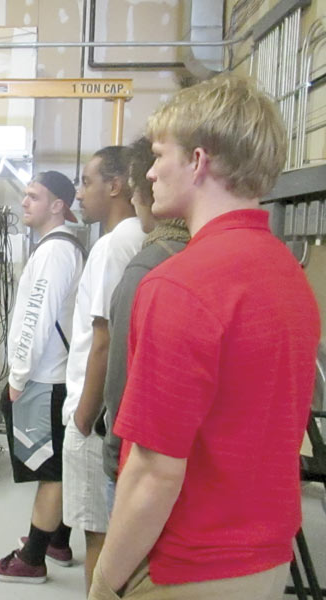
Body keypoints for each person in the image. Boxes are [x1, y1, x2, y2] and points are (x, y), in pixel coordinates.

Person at [90, 75, 320, 600]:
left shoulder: (179, 284)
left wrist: (104, 580)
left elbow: (154, 472)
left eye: (158, 155)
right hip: (264, 560)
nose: (149, 172)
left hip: (188, 567)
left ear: (197, 162)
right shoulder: (288, 274)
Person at [0, 171, 85, 583]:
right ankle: (58, 539)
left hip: (44, 380)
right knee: (56, 462)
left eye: (34, 196)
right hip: (51, 376)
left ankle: (34, 559)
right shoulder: (56, 248)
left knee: (50, 469)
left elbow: (35, 321)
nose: (24, 202)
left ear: (57, 205)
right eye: (25, 195)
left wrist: (17, 380)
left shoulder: (55, 252)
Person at [62, 146, 146, 593]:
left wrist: (83, 415)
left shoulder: (114, 245)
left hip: (94, 415)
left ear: (116, 186)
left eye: (87, 182)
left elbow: (104, 339)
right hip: (113, 411)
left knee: (97, 532)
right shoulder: (136, 236)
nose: (79, 193)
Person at [96, 137, 190, 514]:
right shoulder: (201, 251)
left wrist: (112, 454)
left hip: (142, 461)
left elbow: (120, 374)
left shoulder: (147, 267)